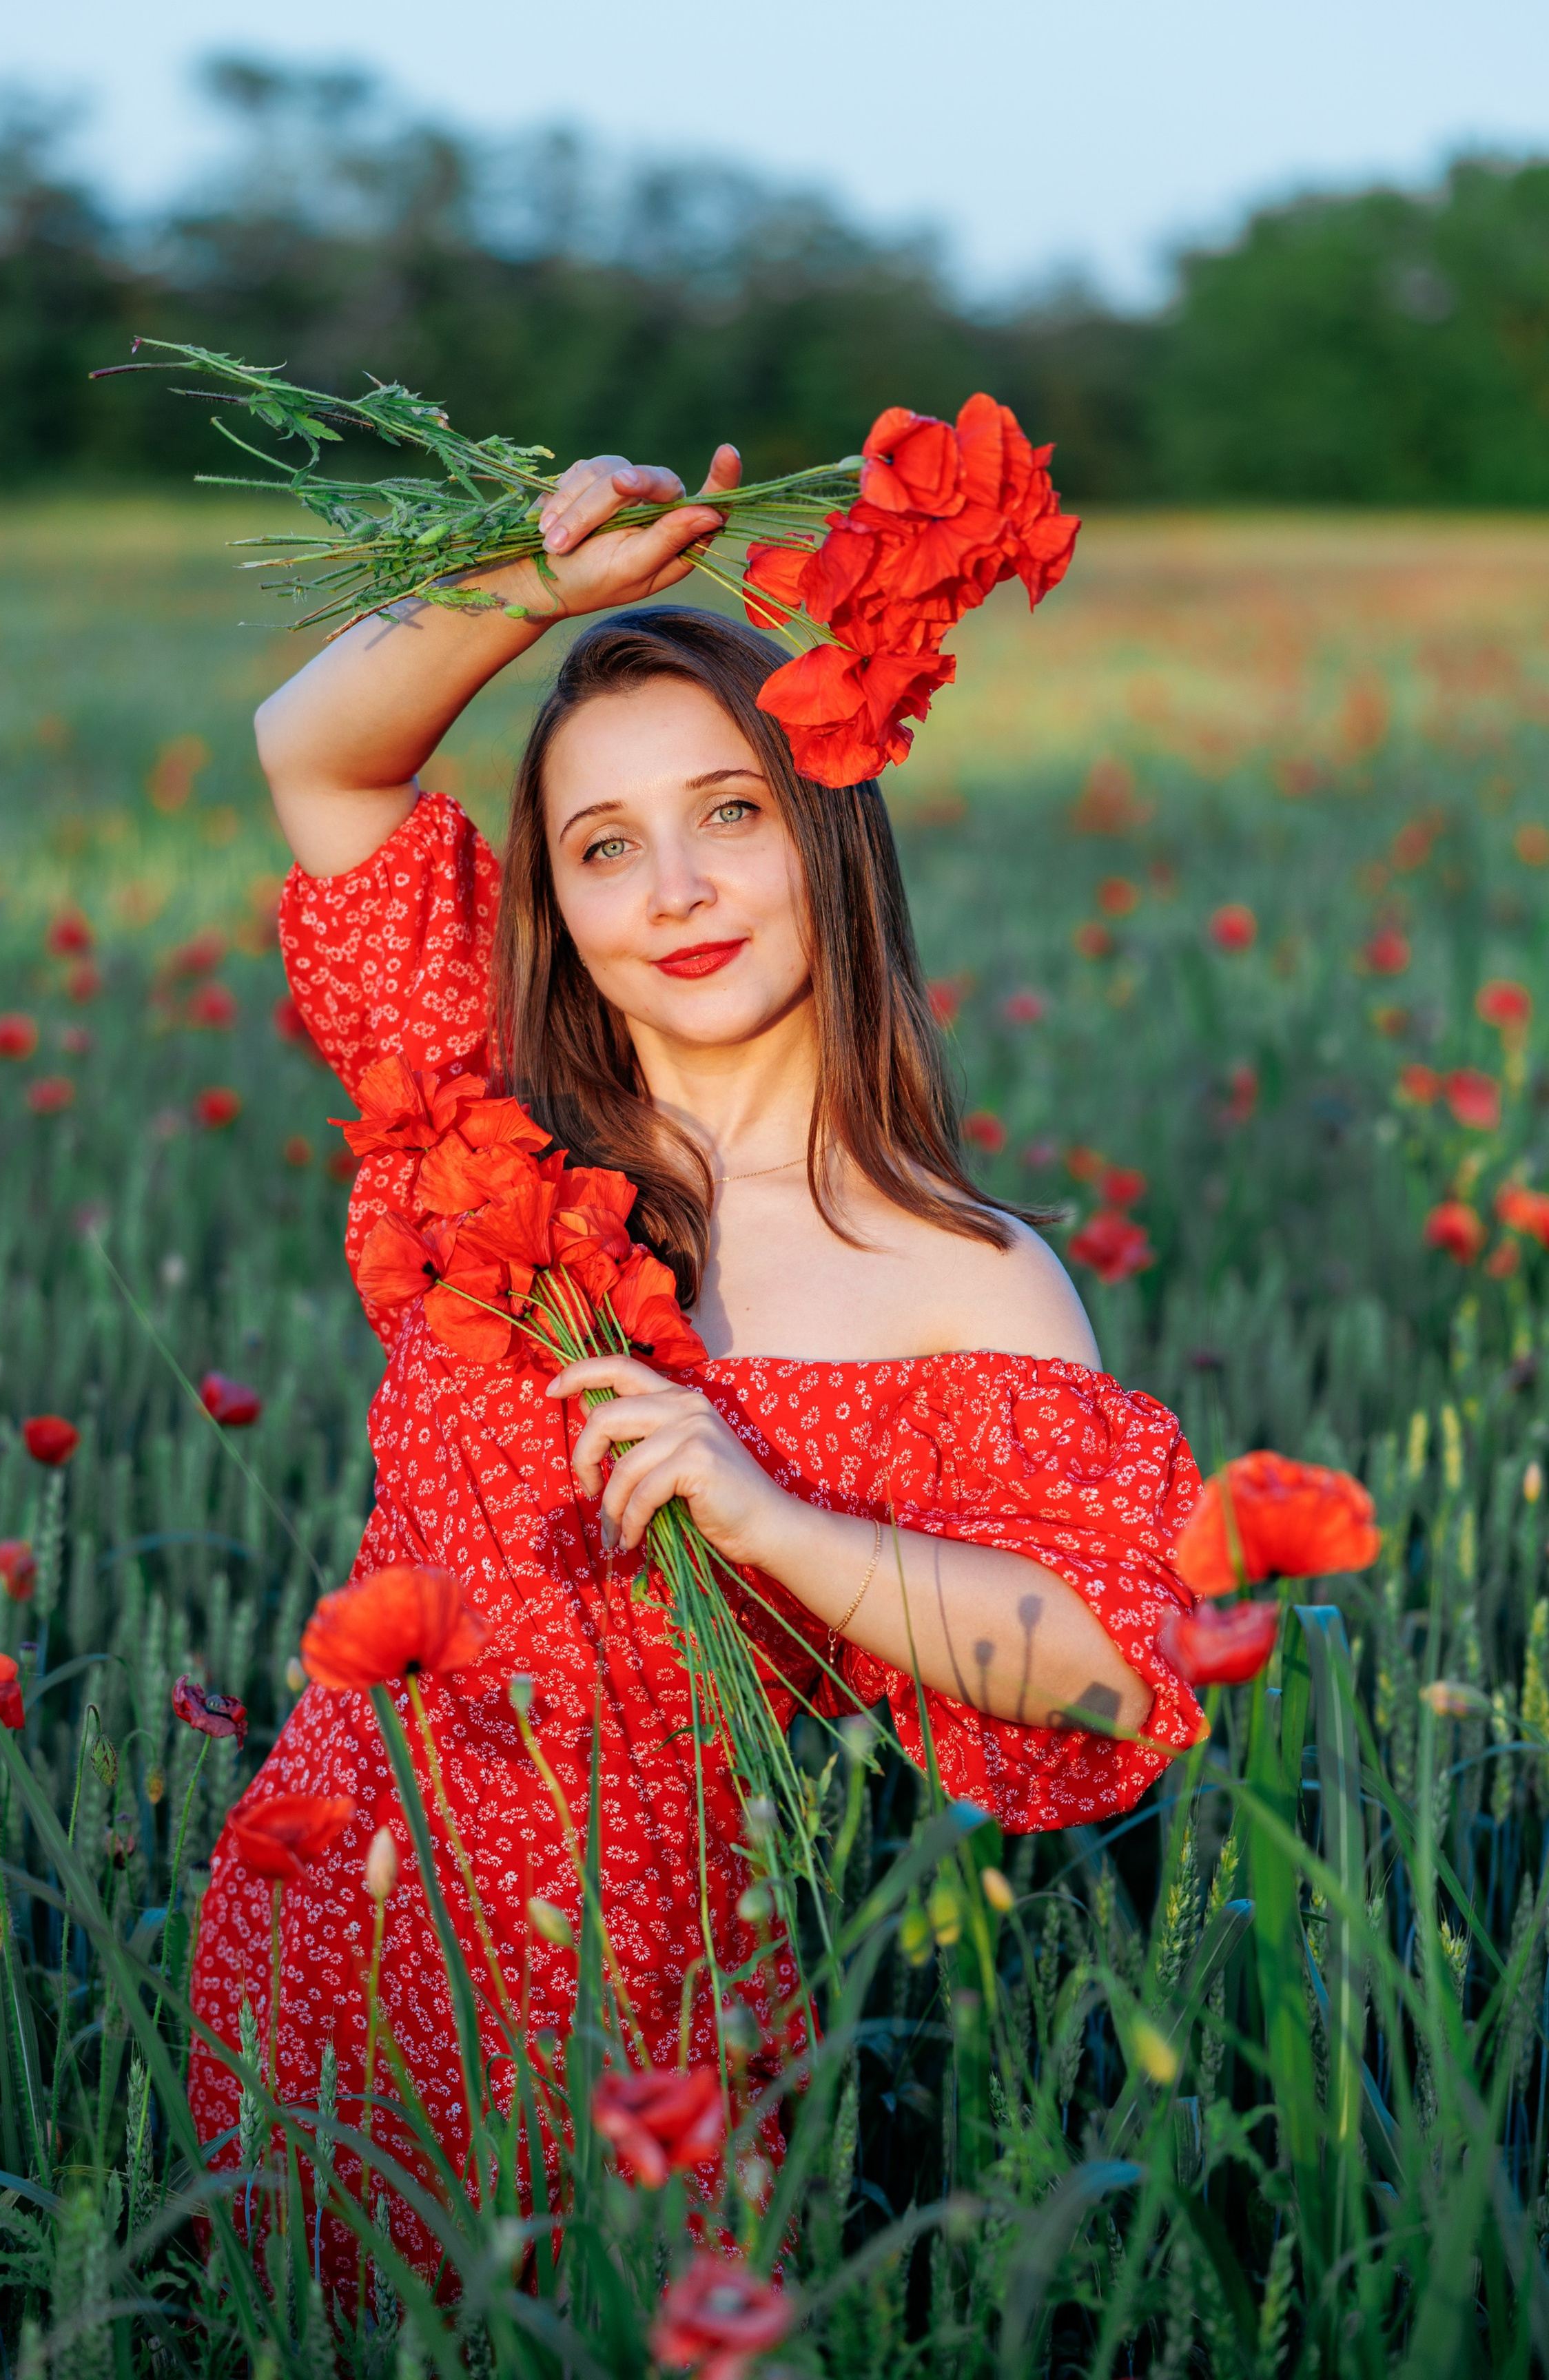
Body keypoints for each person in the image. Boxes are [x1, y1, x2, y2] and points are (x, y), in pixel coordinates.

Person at [187, 443, 1204, 2290]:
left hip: (664, 1997)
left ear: (825, 818)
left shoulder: (958, 1274)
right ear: (557, 910)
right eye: (603, 844)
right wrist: (544, 582)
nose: (675, 885)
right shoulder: (478, 1124)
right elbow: (313, 747)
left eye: (728, 810)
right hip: (348, 1914)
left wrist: (772, 1519)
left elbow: (1109, 1663)